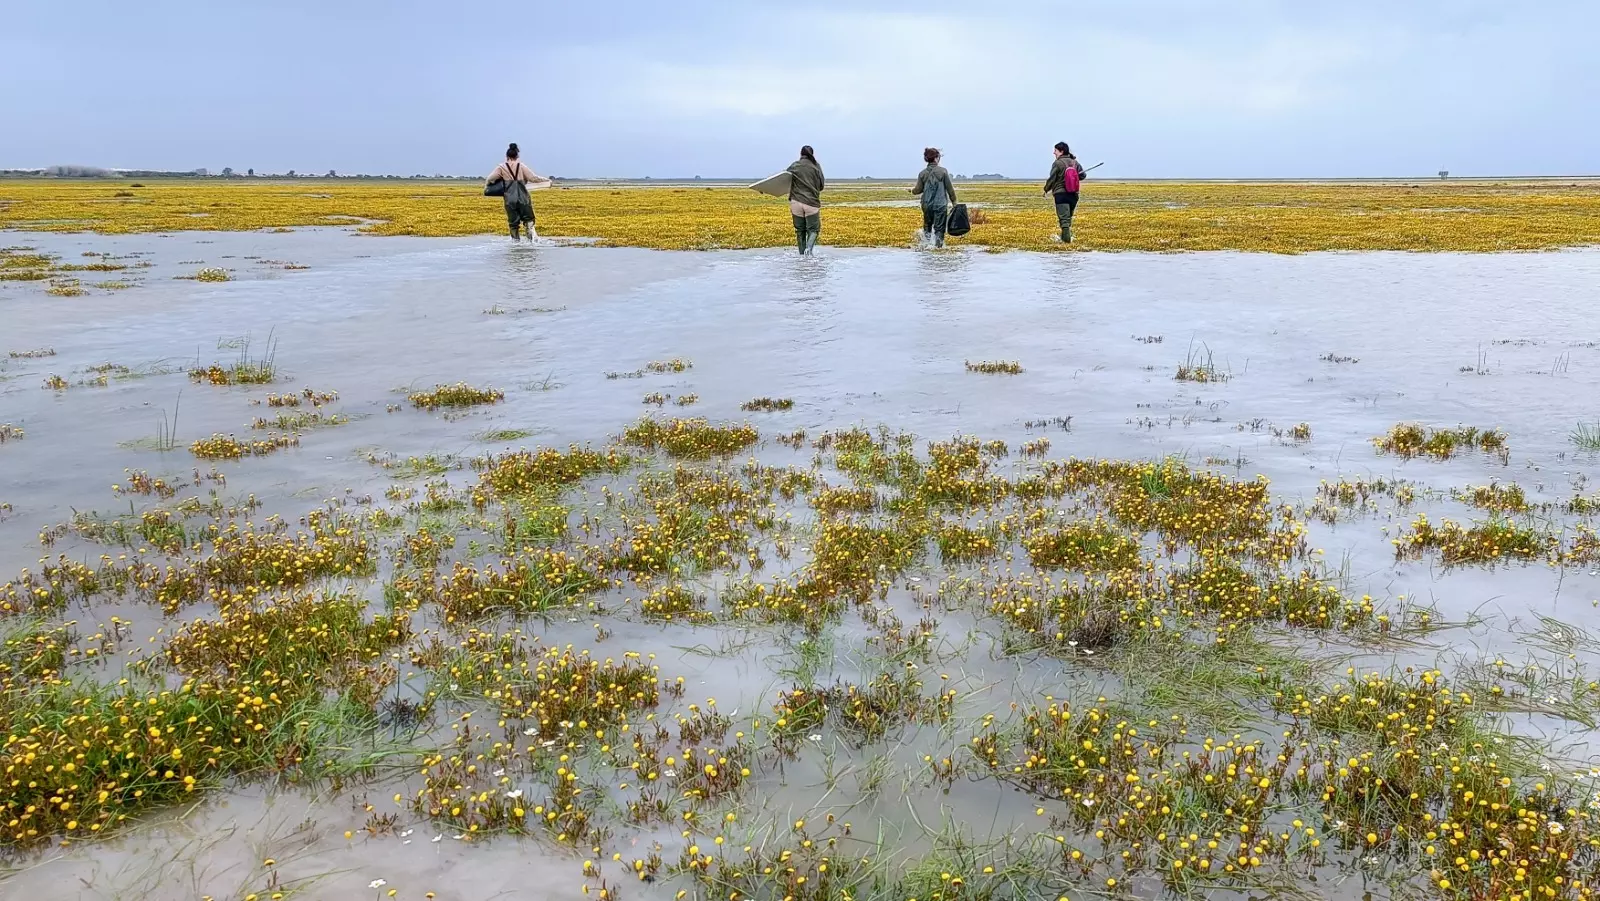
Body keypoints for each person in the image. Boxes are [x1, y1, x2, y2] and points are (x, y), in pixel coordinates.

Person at [488, 143, 552, 241]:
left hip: (510, 199)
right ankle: (531, 242)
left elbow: (490, 179)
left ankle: (515, 243)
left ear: (507, 156)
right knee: (529, 221)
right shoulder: (521, 166)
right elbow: (533, 178)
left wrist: (495, 183)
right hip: (523, 198)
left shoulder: (501, 167)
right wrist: (546, 180)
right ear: (517, 156)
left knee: (513, 224)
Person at [911, 147, 957, 248]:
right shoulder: (943, 172)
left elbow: (918, 190)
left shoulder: (922, 173)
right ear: (936, 158)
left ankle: (926, 246)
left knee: (927, 227)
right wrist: (954, 203)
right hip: (940, 205)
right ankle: (938, 248)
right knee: (939, 229)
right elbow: (950, 189)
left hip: (926, 205)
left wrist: (911, 191)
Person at [1043, 141, 1087, 243]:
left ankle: (1066, 244)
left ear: (1061, 151)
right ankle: (1065, 240)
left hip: (1061, 194)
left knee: (1064, 221)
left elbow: (1052, 179)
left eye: (1055, 151)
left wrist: (1046, 189)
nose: (1054, 153)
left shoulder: (1057, 163)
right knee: (1067, 220)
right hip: (1073, 195)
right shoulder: (1075, 163)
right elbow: (1082, 176)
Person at [786, 146, 825, 255]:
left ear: (801, 154)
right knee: (813, 230)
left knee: (800, 231)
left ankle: (802, 256)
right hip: (811, 203)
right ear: (812, 154)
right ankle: (809, 250)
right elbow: (821, 186)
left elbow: (783, 180)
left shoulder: (795, 165)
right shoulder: (816, 166)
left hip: (796, 202)